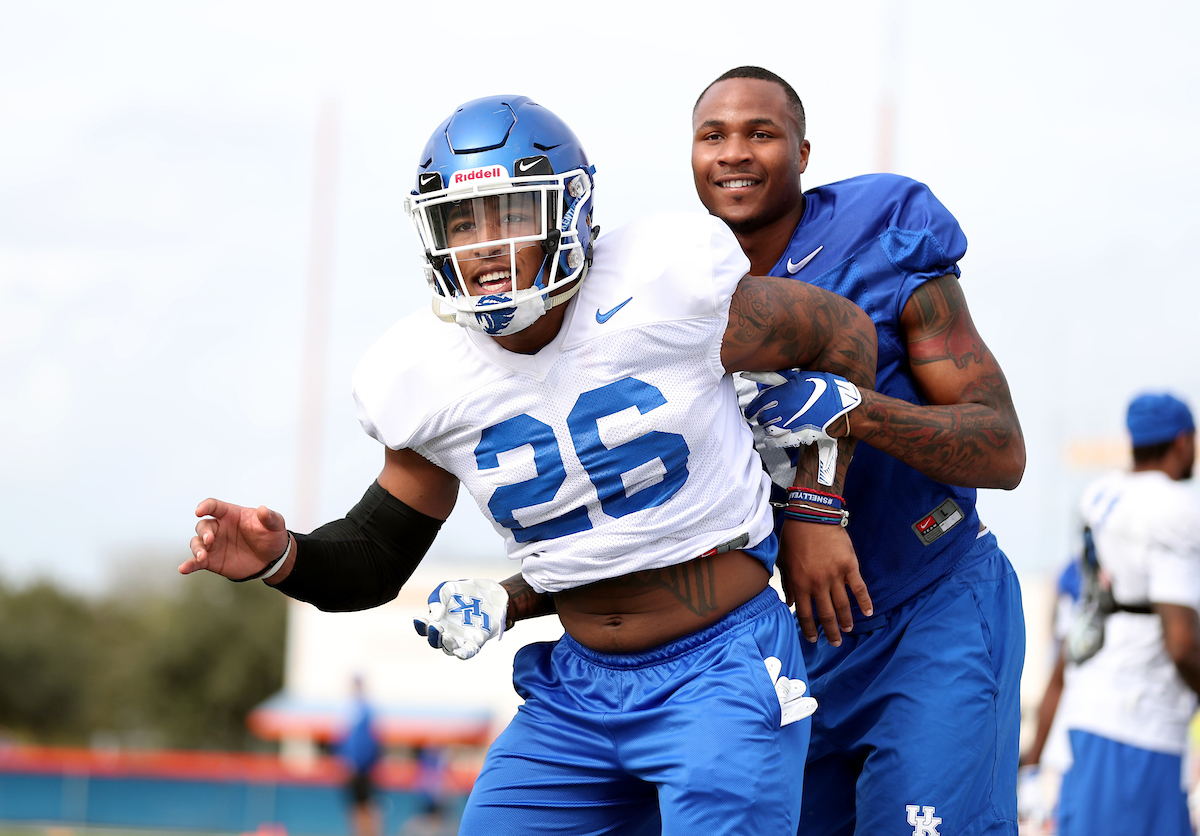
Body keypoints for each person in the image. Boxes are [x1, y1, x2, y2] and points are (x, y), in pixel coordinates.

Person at [181, 94, 878, 834]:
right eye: (461, 221)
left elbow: (844, 335)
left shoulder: (669, 285)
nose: (481, 244)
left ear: (567, 212)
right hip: (576, 692)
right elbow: (378, 555)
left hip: (722, 666)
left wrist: (815, 508)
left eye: (508, 213)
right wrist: (278, 556)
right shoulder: (424, 374)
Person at [688, 66, 1027, 835]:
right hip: (795, 638)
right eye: (714, 136)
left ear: (803, 152)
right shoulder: (682, 286)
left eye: (761, 133)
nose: (735, 152)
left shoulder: (879, 231)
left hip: (928, 599)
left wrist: (853, 412)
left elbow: (1004, 449)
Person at [1052, 391, 1200, 836]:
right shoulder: (1173, 506)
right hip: (1140, 722)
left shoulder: (1098, 495)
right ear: (1181, 442)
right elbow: (1182, 644)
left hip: (1088, 706)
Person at [336, 676, 382, 836]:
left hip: (362, 769)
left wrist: (359, 763)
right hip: (352, 768)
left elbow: (368, 742)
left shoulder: (365, 711)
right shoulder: (349, 710)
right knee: (354, 808)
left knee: (366, 807)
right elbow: (343, 741)